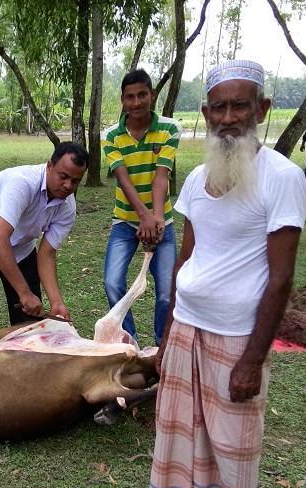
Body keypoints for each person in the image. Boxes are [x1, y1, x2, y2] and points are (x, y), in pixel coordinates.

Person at [149, 59, 306, 488]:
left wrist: (253, 359)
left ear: (261, 110)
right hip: (190, 323)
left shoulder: (282, 177)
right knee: (198, 426)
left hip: (238, 335)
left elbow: (281, 278)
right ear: (206, 114)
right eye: (219, 106)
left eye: (241, 105)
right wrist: (170, 328)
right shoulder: (196, 179)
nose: (230, 116)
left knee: (235, 437)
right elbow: (188, 258)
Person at [0, 142, 88, 332]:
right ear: (49, 166)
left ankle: (25, 357)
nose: (68, 186)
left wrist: (56, 302)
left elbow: (47, 253)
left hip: (21, 246)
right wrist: (24, 293)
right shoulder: (22, 183)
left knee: (29, 320)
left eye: (75, 181)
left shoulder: (67, 207)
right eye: (63, 177)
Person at [102, 69, 180, 346]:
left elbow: (162, 176)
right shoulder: (111, 135)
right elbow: (122, 179)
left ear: (152, 95)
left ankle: (161, 347)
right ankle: (129, 343)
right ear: (122, 100)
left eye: (142, 95)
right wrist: (144, 216)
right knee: (113, 283)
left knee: (167, 293)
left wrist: (156, 217)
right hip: (125, 221)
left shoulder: (169, 129)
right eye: (130, 97)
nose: (136, 102)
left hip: (163, 222)